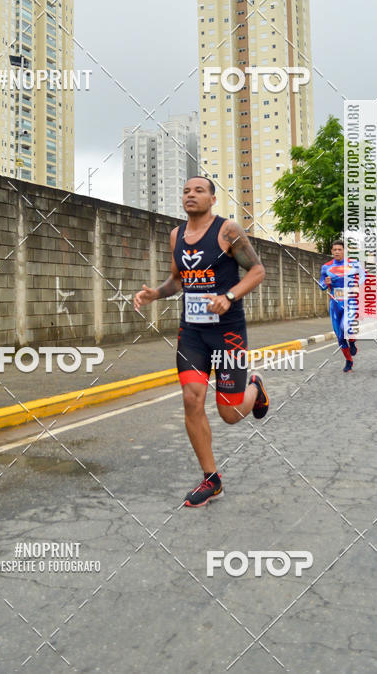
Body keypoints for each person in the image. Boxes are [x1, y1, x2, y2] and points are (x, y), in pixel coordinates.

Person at [134, 176, 268, 508]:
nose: (190, 195)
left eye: (199, 191)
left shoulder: (228, 231)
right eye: (185, 191)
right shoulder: (176, 235)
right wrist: (156, 293)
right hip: (192, 332)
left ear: (212, 199)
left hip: (228, 333)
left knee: (231, 413)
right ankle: (212, 479)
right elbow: (179, 279)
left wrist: (229, 295)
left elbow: (257, 271)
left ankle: (256, 388)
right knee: (192, 399)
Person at [319, 241, 364, 372]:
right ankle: (349, 360)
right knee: (339, 335)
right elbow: (321, 285)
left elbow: (363, 276)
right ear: (332, 251)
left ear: (344, 251)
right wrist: (325, 282)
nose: (337, 251)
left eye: (339, 249)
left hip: (350, 301)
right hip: (335, 303)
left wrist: (357, 285)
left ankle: (352, 341)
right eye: (334, 250)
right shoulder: (326, 267)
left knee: (345, 326)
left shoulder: (353, 264)